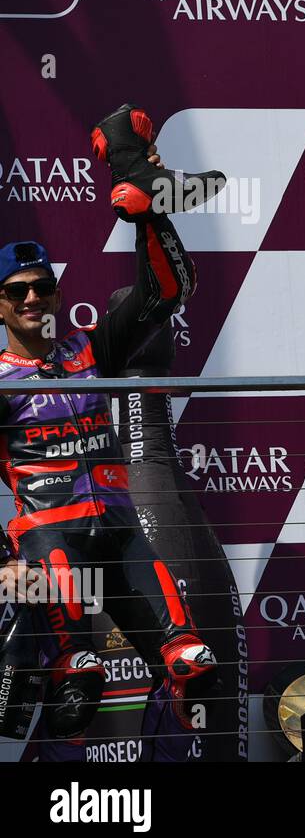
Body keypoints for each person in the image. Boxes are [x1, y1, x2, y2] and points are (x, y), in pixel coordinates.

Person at [0, 103, 217, 760]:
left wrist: (149, 213)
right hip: (51, 547)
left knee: (192, 658)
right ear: (0, 304)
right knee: (78, 683)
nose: (34, 299)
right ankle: (67, 667)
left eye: (42, 287)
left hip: (119, 529)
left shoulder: (92, 350)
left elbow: (168, 295)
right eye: (18, 292)